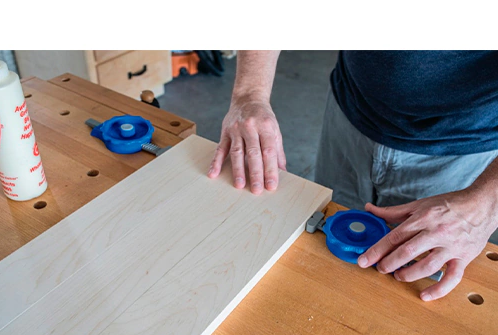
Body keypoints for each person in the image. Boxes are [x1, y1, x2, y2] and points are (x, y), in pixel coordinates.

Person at [207, 51, 498, 301]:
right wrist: (250, 94)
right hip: (351, 110)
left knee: (403, 285)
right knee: (313, 255)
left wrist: (484, 205)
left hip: (462, 149)